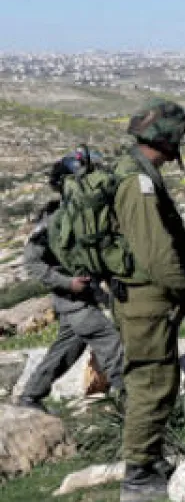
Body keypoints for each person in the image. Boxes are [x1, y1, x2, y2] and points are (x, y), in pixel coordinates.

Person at [113, 99, 185, 502]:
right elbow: (158, 256)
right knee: (152, 383)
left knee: (158, 379)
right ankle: (138, 477)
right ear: (169, 139)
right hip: (145, 301)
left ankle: (149, 461)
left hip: (145, 299)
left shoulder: (138, 173)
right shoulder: (136, 183)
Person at [15, 150, 126, 411]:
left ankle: (30, 396)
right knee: (111, 342)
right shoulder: (53, 219)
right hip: (73, 299)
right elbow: (32, 262)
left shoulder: (92, 215)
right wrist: (67, 284)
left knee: (67, 348)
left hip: (87, 295)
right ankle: (134, 403)